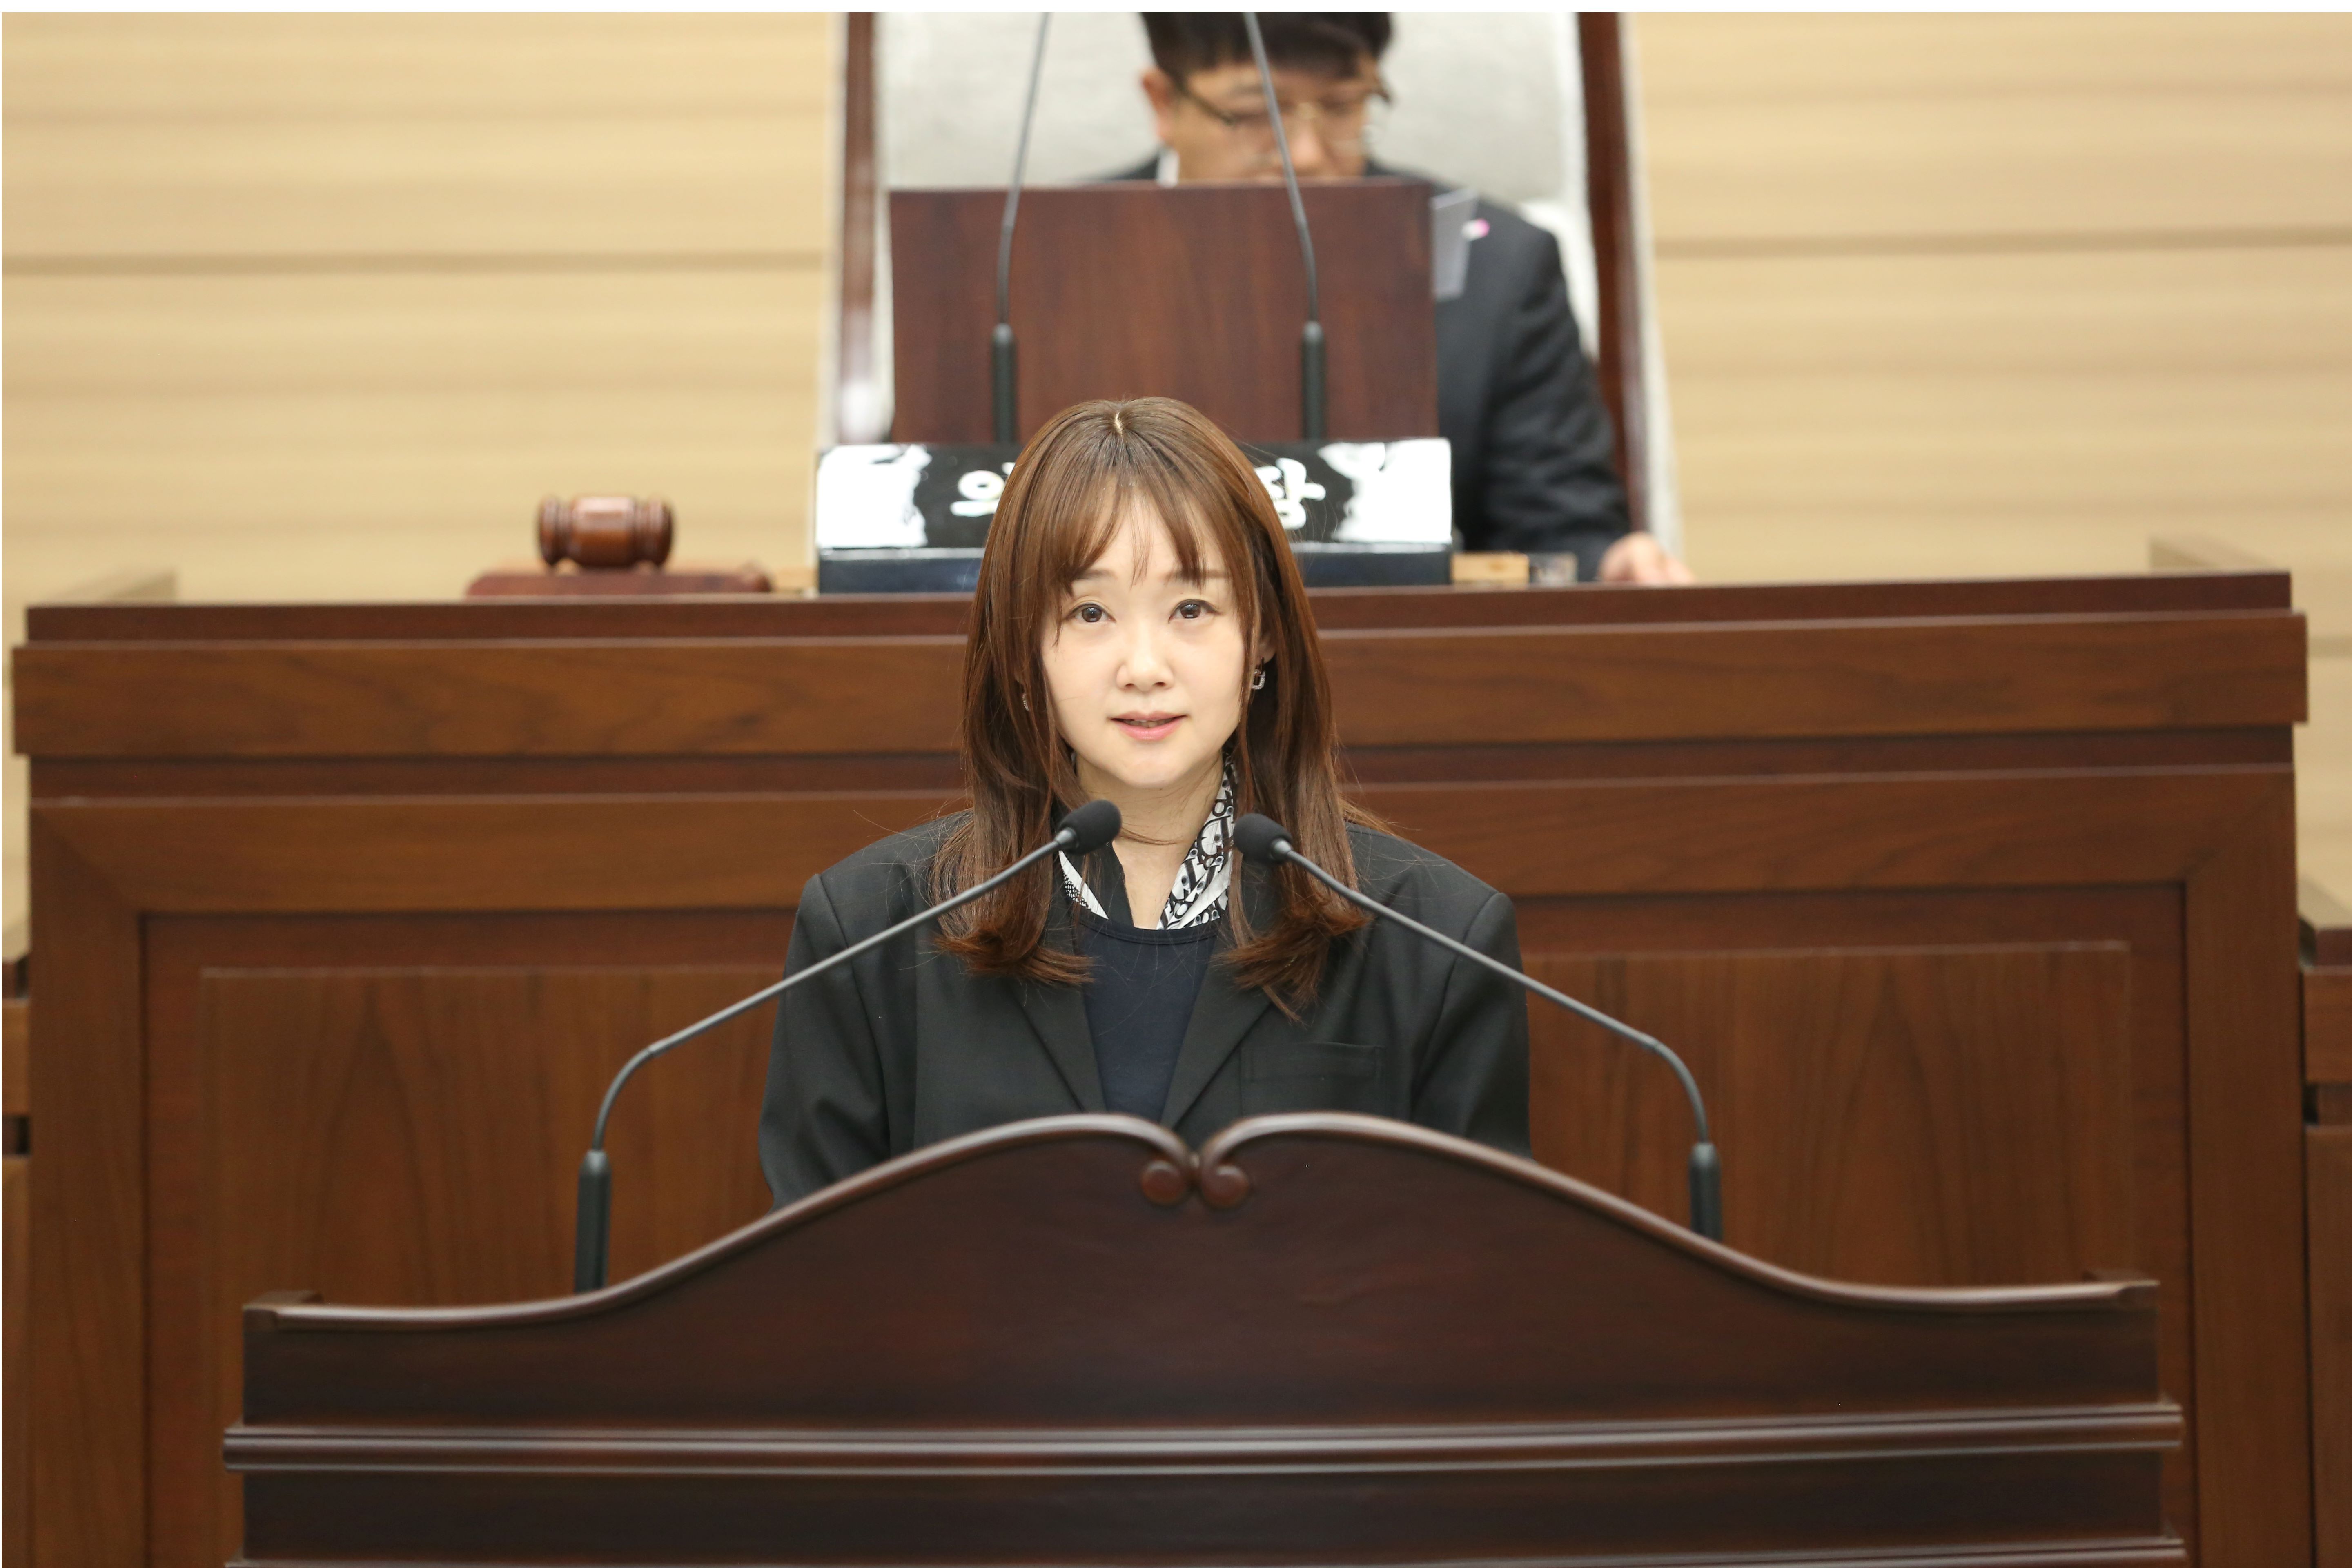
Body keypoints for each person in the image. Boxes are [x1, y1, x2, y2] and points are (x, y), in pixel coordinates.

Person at [760, 397, 1529, 1205]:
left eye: (1192, 609)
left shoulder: (1435, 940)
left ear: (1263, 634)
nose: (1144, 668)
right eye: (1090, 612)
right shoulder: (869, 934)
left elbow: (1475, 1269)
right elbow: (817, 1273)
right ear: (1022, 649)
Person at [1114, 13, 1692, 585]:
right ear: (1163, 103)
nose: (1307, 154)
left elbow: (1556, 531)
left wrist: (1607, 566)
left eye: (1342, 106)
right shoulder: (1065, 250)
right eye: (1257, 113)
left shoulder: (1495, 266)